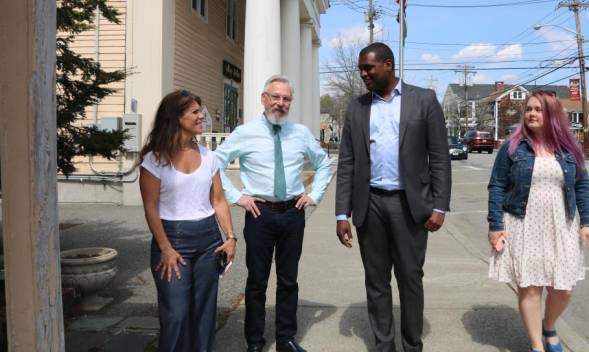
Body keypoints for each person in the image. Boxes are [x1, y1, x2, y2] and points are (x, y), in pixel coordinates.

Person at [335, 42, 451, 352]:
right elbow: (347, 162)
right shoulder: (357, 107)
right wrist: (341, 213)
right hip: (369, 204)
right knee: (376, 281)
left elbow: (439, 156)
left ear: (388, 65)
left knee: (410, 278)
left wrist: (439, 205)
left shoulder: (423, 100)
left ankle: (412, 345)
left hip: (409, 206)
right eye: (361, 69)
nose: (363, 74)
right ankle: (384, 345)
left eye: (368, 68)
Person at [215, 75, 333, 352]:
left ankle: (285, 339)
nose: (281, 103)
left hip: (293, 214)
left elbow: (324, 164)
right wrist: (237, 197)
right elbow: (214, 164)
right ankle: (255, 343)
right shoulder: (245, 133)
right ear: (264, 99)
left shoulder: (301, 133)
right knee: (256, 282)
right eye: (276, 97)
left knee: (288, 281)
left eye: (286, 98)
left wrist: (313, 194)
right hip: (260, 215)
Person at [487, 90, 589, 352]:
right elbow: (497, 186)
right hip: (523, 224)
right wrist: (495, 226)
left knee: (563, 289)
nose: (532, 114)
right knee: (530, 287)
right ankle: (537, 345)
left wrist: (588, 223)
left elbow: (582, 187)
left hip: (562, 225)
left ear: (553, 116)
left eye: (538, 109)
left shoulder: (569, 149)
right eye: (529, 109)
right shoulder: (513, 147)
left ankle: (549, 326)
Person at [139, 90, 237, 352]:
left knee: (205, 314)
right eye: (194, 112)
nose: (200, 116)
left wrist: (230, 237)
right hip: (171, 239)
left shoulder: (209, 157)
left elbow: (218, 200)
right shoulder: (154, 159)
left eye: (200, 111)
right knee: (176, 315)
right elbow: (151, 207)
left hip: (208, 241)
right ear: (176, 117)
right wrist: (166, 248)